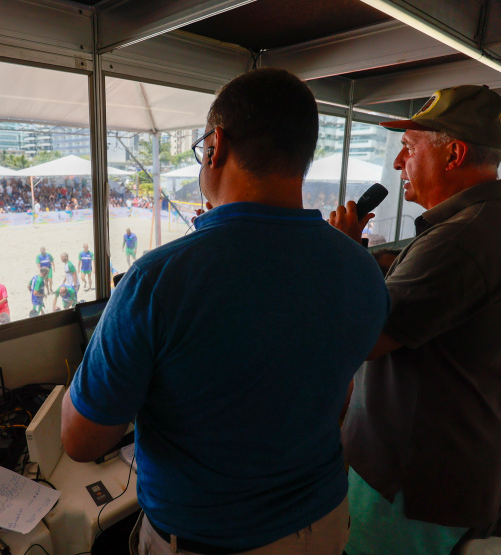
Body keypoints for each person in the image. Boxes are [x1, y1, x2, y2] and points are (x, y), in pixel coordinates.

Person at [62, 68, 388, 555]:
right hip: (325, 523)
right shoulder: (362, 270)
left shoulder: (156, 280)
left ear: (216, 144)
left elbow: (81, 442)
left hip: (208, 539)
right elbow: (338, 397)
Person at [329, 85, 501, 554]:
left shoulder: (461, 239)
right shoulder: (500, 218)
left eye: (408, 148)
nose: (397, 164)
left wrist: (342, 255)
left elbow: (360, 339)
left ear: (454, 154)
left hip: (414, 482)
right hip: (445, 466)